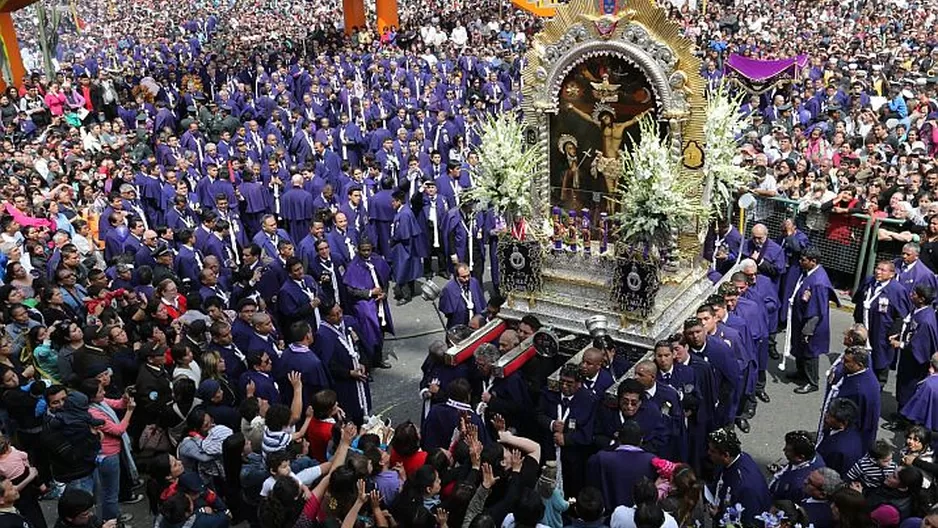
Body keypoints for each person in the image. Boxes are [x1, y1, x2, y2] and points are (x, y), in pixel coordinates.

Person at [535, 364, 595, 498]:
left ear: (579, 384)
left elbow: (588, 434)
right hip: (549, 451)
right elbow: (538, 414)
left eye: (570, 383)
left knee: (571, 490)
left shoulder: (588, 400)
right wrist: (551, 424)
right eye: (562, 381)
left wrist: (567, 438)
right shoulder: (549, 392)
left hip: (573, 457)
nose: (564, 386)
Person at [786, 246, 838, 393]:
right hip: (800, 318)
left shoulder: (819, 282)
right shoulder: (808, 273)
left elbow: (817, 310)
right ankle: (801, 372)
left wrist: (808, 330)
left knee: (809, 352)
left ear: (813, 261)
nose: (800, 262)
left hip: (811, 323)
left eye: (803, 260)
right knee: (799, 348)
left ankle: (812, 381)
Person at [852, 260, 911, 387]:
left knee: (881, 359)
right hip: (865, 328)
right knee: (861, 357)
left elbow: (902, 315)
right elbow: (858, 300)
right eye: (877, 268)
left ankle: (878, 386)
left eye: (882, 270)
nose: (878, 272)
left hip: (883, 332)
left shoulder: (897, 290)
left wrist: (894, 333)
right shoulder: (869, 282)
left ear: (891, 274)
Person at [706, 427, 771, 526]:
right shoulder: (739, 458)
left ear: (726, 455)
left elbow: (747, 523)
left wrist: (718, 516)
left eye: (712, 451)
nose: (708, 453)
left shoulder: (744, 487)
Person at [585, 421, 656, 510]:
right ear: (641, 440)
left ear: (618, 438)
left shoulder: (600, 459)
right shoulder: (652, 461)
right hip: (642, 518)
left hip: (607, 518)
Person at [438, 262, 486, 328]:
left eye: (468, 275)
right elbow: (446, 310)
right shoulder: (449, 289)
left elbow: (481, 302)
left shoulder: (474, 282)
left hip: (475, 322)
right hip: (458, 323)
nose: (467, 279)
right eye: (463, 277)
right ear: (457, 276)